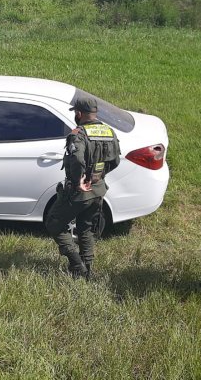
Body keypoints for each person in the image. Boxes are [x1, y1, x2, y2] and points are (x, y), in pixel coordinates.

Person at [45, 97, 121, 279]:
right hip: (98, 190)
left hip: (79, 192)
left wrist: (80, 179)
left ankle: (76, 264)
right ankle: (87, 270)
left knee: (54, 224)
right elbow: (115, 161)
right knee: (86, 229)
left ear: (79, 113)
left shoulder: (78, 134)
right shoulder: (109, 132)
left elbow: (77, 159)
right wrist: (97, 177)